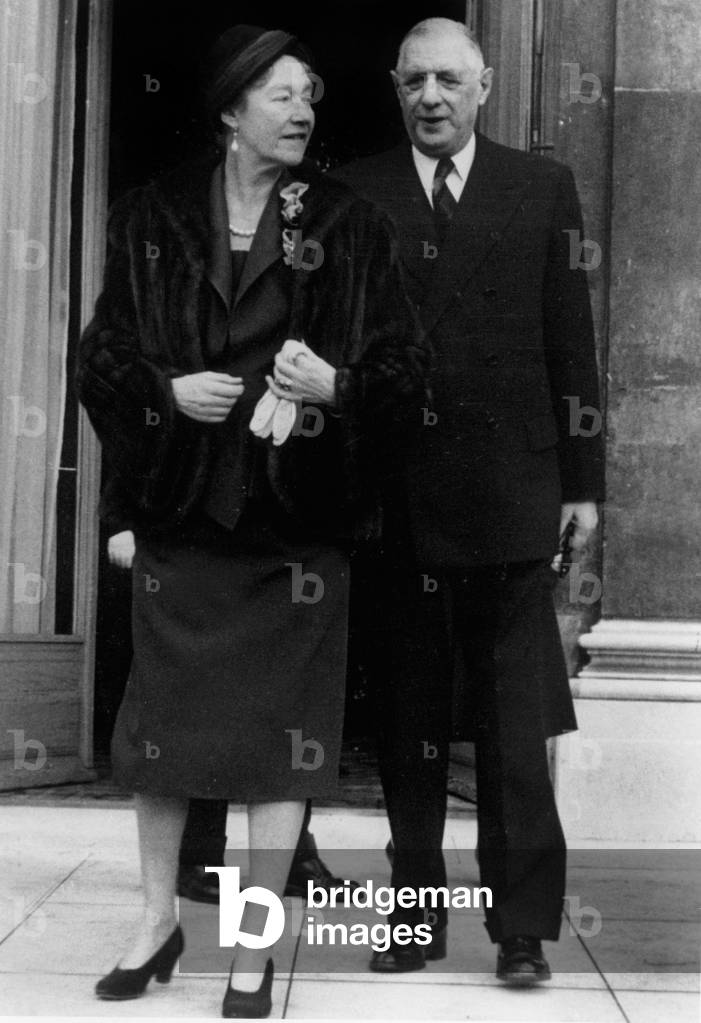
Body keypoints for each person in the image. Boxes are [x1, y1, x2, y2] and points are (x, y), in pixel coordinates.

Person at [77, 23, 425, 1018]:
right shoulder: (151, 215)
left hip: (293, 530)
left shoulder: (348, 224)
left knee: (284, 743)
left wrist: (335, 386)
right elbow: (102, 358)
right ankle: (156, 923)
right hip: (184, 514)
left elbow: (403, 372)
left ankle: (255, 944)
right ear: (231, 110)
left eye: (309, 93)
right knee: (160, 737)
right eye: (280, 94)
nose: (302, 109)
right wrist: (165, 392)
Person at [335, 18, 605, 984]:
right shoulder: (353, 192)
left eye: (449, 80)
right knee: (407, 723)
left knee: (513, 727)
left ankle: (521, 929)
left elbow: (570, 337)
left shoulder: (541, 185)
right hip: (396, 497)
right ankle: (413, 918)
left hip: (512, 493)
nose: (431, 98)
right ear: (395, 87)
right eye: (414, 81)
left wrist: (583, 487)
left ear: (483, 87)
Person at [103, 525, 357, 906]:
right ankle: (198, 855)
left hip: (288, 531)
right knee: (206, 686)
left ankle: (293, 856)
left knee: (292, 695)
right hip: (200, 532)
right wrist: (123, 522)